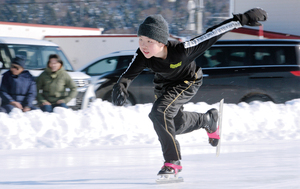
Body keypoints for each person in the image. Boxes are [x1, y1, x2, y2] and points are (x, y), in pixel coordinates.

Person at [112, 8, 267, 175]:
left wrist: (242, 19)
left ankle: (172, 161)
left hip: (188, 81)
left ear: (161, 41)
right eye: (140, 39)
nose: (143, 45)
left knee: (159, 112)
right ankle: (207, 120)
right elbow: (127, 75)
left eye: (149, 41)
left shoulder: (183, 50)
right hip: (164, 86)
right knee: (174, 125)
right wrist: (120, 86)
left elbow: (212, 34)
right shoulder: (142, 56)